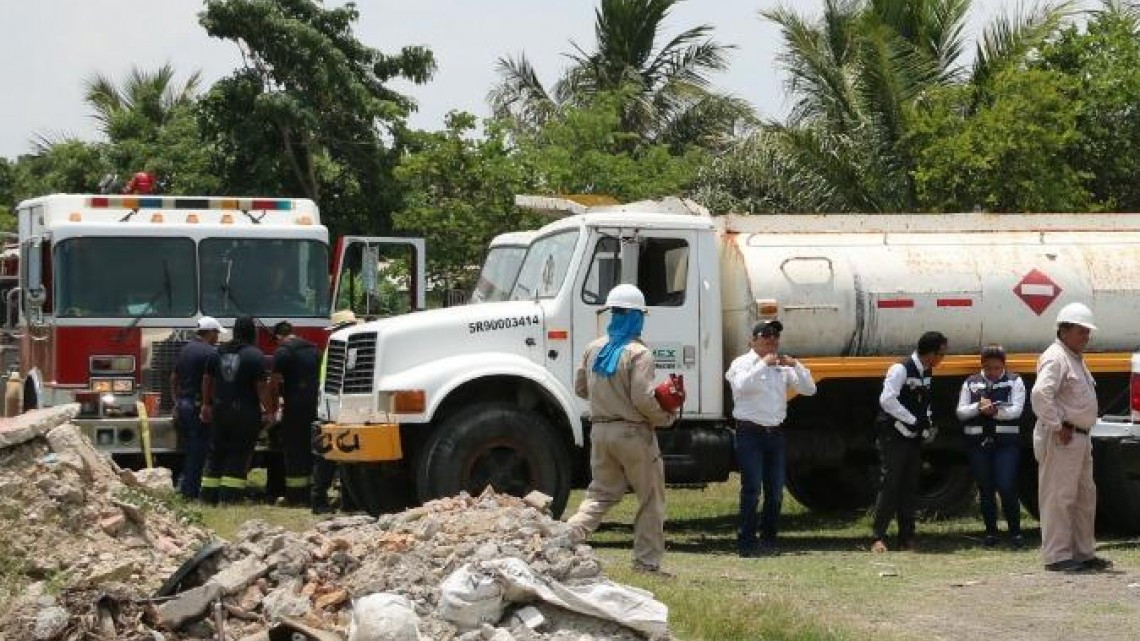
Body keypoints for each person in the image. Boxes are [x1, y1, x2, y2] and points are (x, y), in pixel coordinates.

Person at [566, 284, 676, 575]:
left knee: (600, 494)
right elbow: (643, 397)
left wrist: (608, 400)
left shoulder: (593, 348)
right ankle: (646, 563)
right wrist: (665, 417)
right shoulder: (639, 353)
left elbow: (580, 388)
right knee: (650, 497)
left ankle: (566, 537)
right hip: (632, 433)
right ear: (638, 317)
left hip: (600, 432)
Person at [725, 318, 816, 557]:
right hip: (750, 433)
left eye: (776, 336)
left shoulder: (781, 366)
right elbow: (741, 386)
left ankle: (769, 538)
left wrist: (796, 365)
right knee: (752, 488)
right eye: (766, 335)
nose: (772, 340)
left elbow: (809, 389)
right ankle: (746, 541)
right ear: (753, 340)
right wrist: (762, 365)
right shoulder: (742, 363)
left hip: (774, 434)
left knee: (775, 491)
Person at [1030, 302, 1111, 572]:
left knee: (1084, 497)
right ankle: (1057, 556)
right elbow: (1040, 395)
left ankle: (1083, 552)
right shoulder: (1056, 357)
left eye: (1087, 332)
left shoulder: (1073, 357)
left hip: (1079, 438)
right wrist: (1057, 425)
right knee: (1059, 497)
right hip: (1063, 438)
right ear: (1064, 331)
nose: (1086, 337)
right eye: (1081, 331)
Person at [871, 331, 948, 553]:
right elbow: (887, 399)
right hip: (893, 434)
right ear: (931, 353)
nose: (943, 358)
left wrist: (927, 423)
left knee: (910, 485)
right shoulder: (900, 369)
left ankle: (907, 536)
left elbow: (925, 401)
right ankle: (879, 536)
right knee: (891, 483)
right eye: (941, 354)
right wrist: (913, 420)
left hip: (912, 436)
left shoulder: (927, 371)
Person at [956, 344, 1026, 548]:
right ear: (982, 366)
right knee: (985, 488)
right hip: (978, 442)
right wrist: (978, 406)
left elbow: (1016, 410)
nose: (993, 372)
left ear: (1004, 365)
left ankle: (1015, 532)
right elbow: (961, 412)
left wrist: (995, 412)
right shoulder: (971, 382)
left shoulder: (1014, 381)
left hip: (1006, 443)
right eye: (988, 368)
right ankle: (991, 532)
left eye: (997, 368)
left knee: (1006, 485)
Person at [199, 316, 273, 505]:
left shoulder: (217, 353)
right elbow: (262, 387)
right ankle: (229, 498)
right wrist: (269, 409)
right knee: (239, 452)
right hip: (245, 412)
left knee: (216, 452)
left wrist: (206, 405)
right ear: (252, 332)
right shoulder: (255, 356)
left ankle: (208, 496)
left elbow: (207, 380)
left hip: (220, 409)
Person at [168, 316, 225, 499]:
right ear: (210, 333)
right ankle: (191, 492)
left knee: (189, 448)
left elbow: (173, 377)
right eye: (217, 333)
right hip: (198, 406)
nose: (218, 337)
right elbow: (210, 382)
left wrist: (176, 401)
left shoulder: (186, 350)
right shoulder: (211, 353)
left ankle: (184, 484)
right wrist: (208, 404)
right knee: (198, 450)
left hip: (184, 404)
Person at [267, 320, 322, 506]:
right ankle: (312, 493)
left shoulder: (283, 352)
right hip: (314, 407)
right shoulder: (314, 349)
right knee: (311, 448)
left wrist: (272, 409)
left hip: (294, 408)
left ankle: (295, 495)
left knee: (294, 449)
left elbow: (273, 385)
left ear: (278, 337)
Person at [311, 309, 360, 514]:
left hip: (328, 407)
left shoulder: (333, 343)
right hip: (346, 407)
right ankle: (348, 502)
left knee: (326, 457)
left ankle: (319, 501)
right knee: (349, 457)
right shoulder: (353, 343)